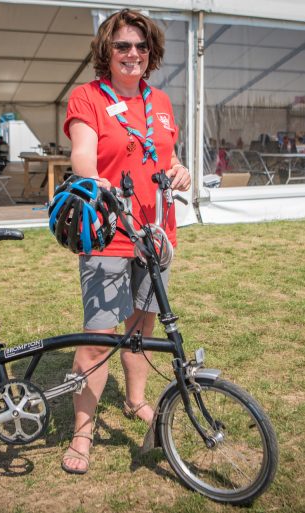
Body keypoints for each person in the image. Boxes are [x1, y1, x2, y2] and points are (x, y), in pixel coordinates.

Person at [61, 9, 191, 475]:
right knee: (99, 338)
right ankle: (82, 431)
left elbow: (167, 158)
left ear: (151, 52)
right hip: (109, 232)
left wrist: (182, 172)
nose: (132, 54)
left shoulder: (161, 101)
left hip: (156, 235)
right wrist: (100, 185)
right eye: (122, 46)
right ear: (106, 52)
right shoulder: (88, 98)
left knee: (142, 330)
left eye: (141, 46)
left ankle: (136, 401)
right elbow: (82, 158)